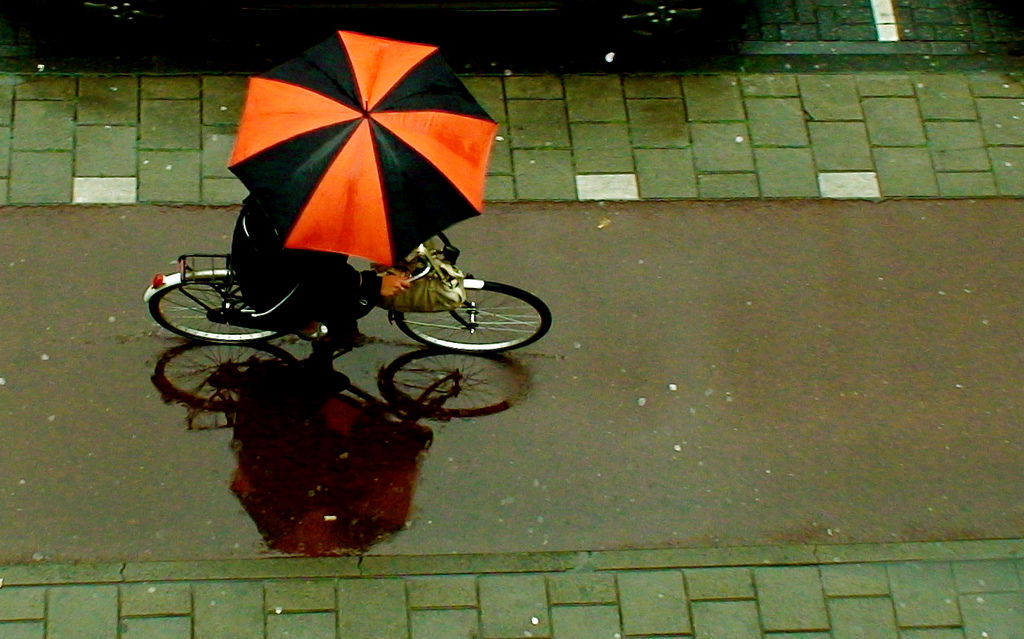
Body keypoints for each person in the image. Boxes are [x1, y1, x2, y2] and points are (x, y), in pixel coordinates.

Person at [230, 196, 409, 351]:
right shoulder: (296, 220)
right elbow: (320, 270)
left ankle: (334, 326)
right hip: (274, 286)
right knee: (356, 298)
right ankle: (307, 328)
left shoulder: (294, 199)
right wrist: (376, 284)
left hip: (271, 263)